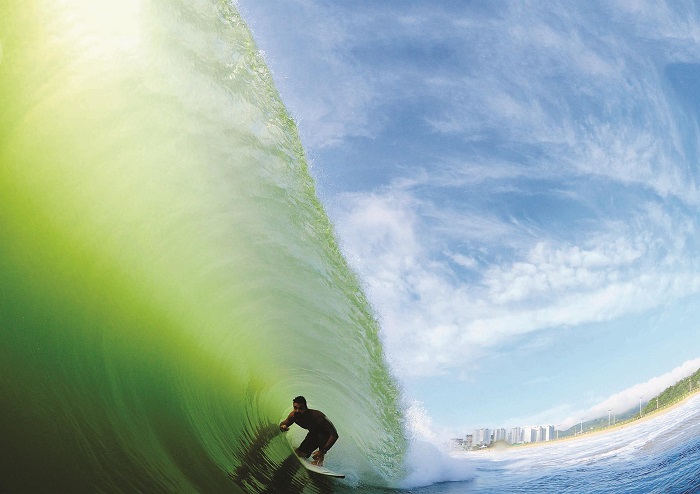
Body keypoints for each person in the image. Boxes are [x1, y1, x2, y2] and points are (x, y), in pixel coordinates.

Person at [279, 396, 338, 466]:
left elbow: (334, 435)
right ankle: (308, 454)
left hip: (325, 435)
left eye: (300, 408)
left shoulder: (318, 417)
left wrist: (323, 451)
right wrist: (283, 426)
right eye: (295, 408)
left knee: (319, 435)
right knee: (300, 453)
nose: (297, 411)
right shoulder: (293, 416)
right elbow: (284, 423)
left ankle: (320, 460)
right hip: (313, 433)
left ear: (306, 408)